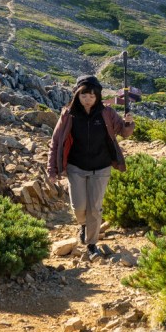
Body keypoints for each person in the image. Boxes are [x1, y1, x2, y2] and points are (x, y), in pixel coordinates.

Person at [47, 74, 134, 259]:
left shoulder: (107, 113)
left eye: (92, 96)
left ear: (98, 96)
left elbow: (124, 133)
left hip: (101, 168)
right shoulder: (68, 114)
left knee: (95, 208)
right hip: (76, 167)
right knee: (79, 207)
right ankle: (84, 225)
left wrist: (129, 123)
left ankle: (92, 243)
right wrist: (51, 169)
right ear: (77, 95)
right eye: (84, 95)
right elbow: (55, 142)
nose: (88, 99)